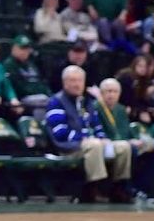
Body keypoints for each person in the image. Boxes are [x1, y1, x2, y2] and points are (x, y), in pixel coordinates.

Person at [46, 65, 132, 203]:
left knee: (123, 146)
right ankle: (94, 187)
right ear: (64, 82)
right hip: (68, 147)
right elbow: (59, 132)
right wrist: (84, 138)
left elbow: (96, 126)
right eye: (72, 81)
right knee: (95, 144)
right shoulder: (56, 101)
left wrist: (103, 138)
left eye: (80, 80)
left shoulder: (87, 101)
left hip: (89, 144)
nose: (77, 84)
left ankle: (119, 188)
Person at [96, 77, 154, 202]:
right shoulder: (95, 108)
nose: (111, 94)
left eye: (115, 91)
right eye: (108, 91)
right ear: (101, 93)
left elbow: (128, 132)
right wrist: (129, 142)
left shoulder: (121, 109)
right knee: (130, 149)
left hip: (126, 143)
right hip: (108, 146)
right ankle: (126, 190)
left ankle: (140, 188)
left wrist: (138, 140)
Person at [3, 35, 52, 109]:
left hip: (38, 96)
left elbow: (41, 82)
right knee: (43, 99)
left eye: (27, 48)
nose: (25, 51)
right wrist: (37, 90)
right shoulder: (9, 64)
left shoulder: (31, 64)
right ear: (14, 48)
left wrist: (49, 94)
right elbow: (17, 87)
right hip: (22, 99)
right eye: (22, 48)